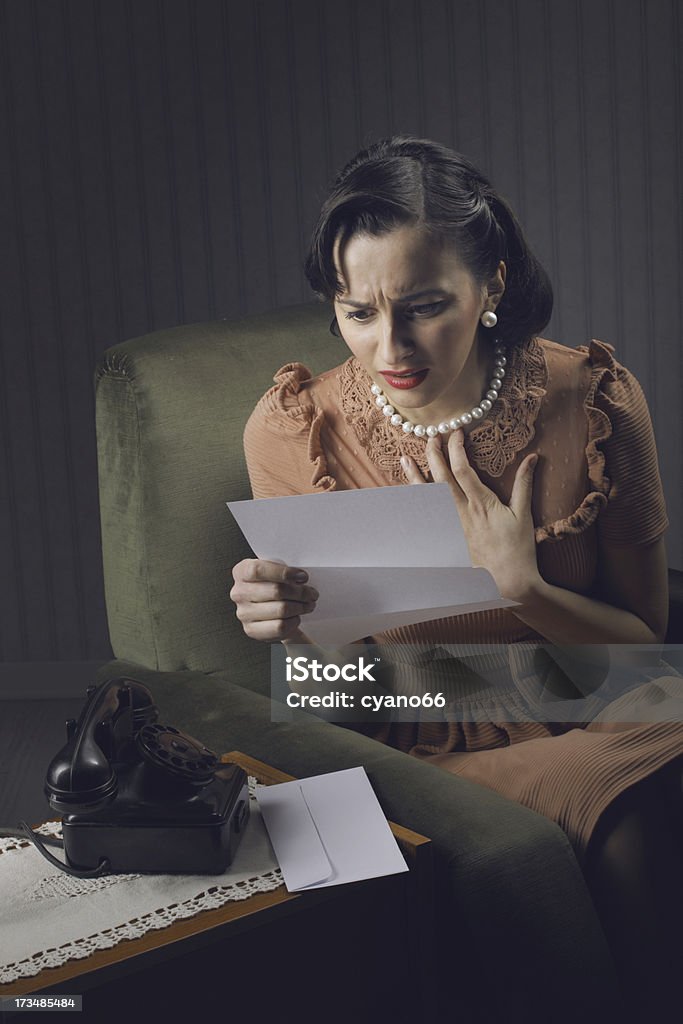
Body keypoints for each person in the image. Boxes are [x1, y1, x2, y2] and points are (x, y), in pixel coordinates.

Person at [230, 137, 682, 1020]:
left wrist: (526, 590)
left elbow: (649, 663)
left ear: (494, 286)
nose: (388, 346)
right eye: (356, 313)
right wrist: (291, 635)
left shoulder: (595, 402)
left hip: (613, 707)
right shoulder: (295, 432)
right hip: (434, 746)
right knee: (627, 819)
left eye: (424, 306)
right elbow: (339, 693)